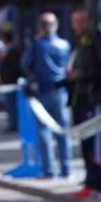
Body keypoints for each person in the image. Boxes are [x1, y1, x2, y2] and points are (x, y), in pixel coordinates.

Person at [65, 9, 101, 199]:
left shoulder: (97, 41)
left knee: (95, 143)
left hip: (94, 101)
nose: (77, 26)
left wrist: (83, 75)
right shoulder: (81, 44)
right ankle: (90, 179)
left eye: (81, 22)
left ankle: (96, 183)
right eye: (75, 22)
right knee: (86, 143)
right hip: (80, 100)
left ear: (88, 23)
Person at [22, 12, 72, 179]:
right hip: (61, 92)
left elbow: (25, 64)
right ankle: (66, 168)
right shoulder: (64, 45)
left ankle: (49, 170)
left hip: (43, 92)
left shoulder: (37, 45)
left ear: (41, 27)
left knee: (44, 131)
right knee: (62, 132)